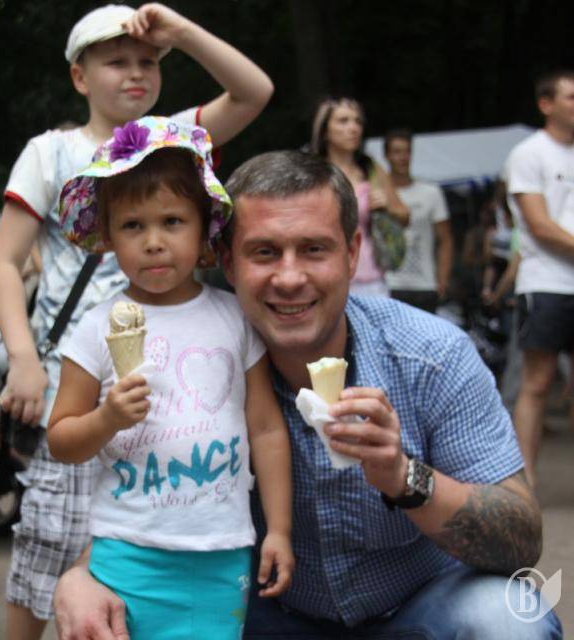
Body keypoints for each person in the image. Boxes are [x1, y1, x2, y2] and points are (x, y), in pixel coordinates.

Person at [54, 150, 561, 640]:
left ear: (353, 253)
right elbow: (149, 485)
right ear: (228, 261)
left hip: (417, 607)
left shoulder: (432, 356)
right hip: (267, 613)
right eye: (264, 252)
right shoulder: (204, 349)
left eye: (314, 249)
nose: (290, 278)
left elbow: (521, 540)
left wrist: (404, 477)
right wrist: (81, 575)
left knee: (505, 618)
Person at [0, 4, 274, 639]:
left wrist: (182, 32)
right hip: (76, 376)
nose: (136, 73)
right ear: (79, 76)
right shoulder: (51, 150)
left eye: (148, 61)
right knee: (47, 549)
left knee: (131, 561)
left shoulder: (174, 142)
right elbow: (5, 260)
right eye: (116, 61)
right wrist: (24, 359)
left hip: (174, 394)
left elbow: (254, 91)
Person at [47, 116, 293, 639]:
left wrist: (279, 529)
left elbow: (267, 430)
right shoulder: (94, 327)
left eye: (173, 221)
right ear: (108, 235)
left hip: (221, 554)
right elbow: (61, 440)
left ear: (204, 229)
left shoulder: (236, 317)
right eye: (133, 226)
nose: (153, 242)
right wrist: (106, 418)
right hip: (124, 553)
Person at [505, 69, 574, 487]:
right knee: (537, 383)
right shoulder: (529, 153)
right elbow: (540, 225)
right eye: (571, 97)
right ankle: (522, 482)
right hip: (546, 282)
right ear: (546, 104)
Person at [310, 97, 409, 297]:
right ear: (324, 131)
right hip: (324, 277)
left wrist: (387, 207)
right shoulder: (312, 173)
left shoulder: (370, 169)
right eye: (343, 121)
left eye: (357, 121)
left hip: (371, 280)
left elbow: (405, 216)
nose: (353, 128)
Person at [383, 128, 453, 313]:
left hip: (424, 285)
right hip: (388, 283)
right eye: (397, 152)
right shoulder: (377, 194)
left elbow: (445, 239)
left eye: (407, 151)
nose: (402, 157)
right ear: (387, 156)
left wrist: (442, 279)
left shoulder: (431, 192)